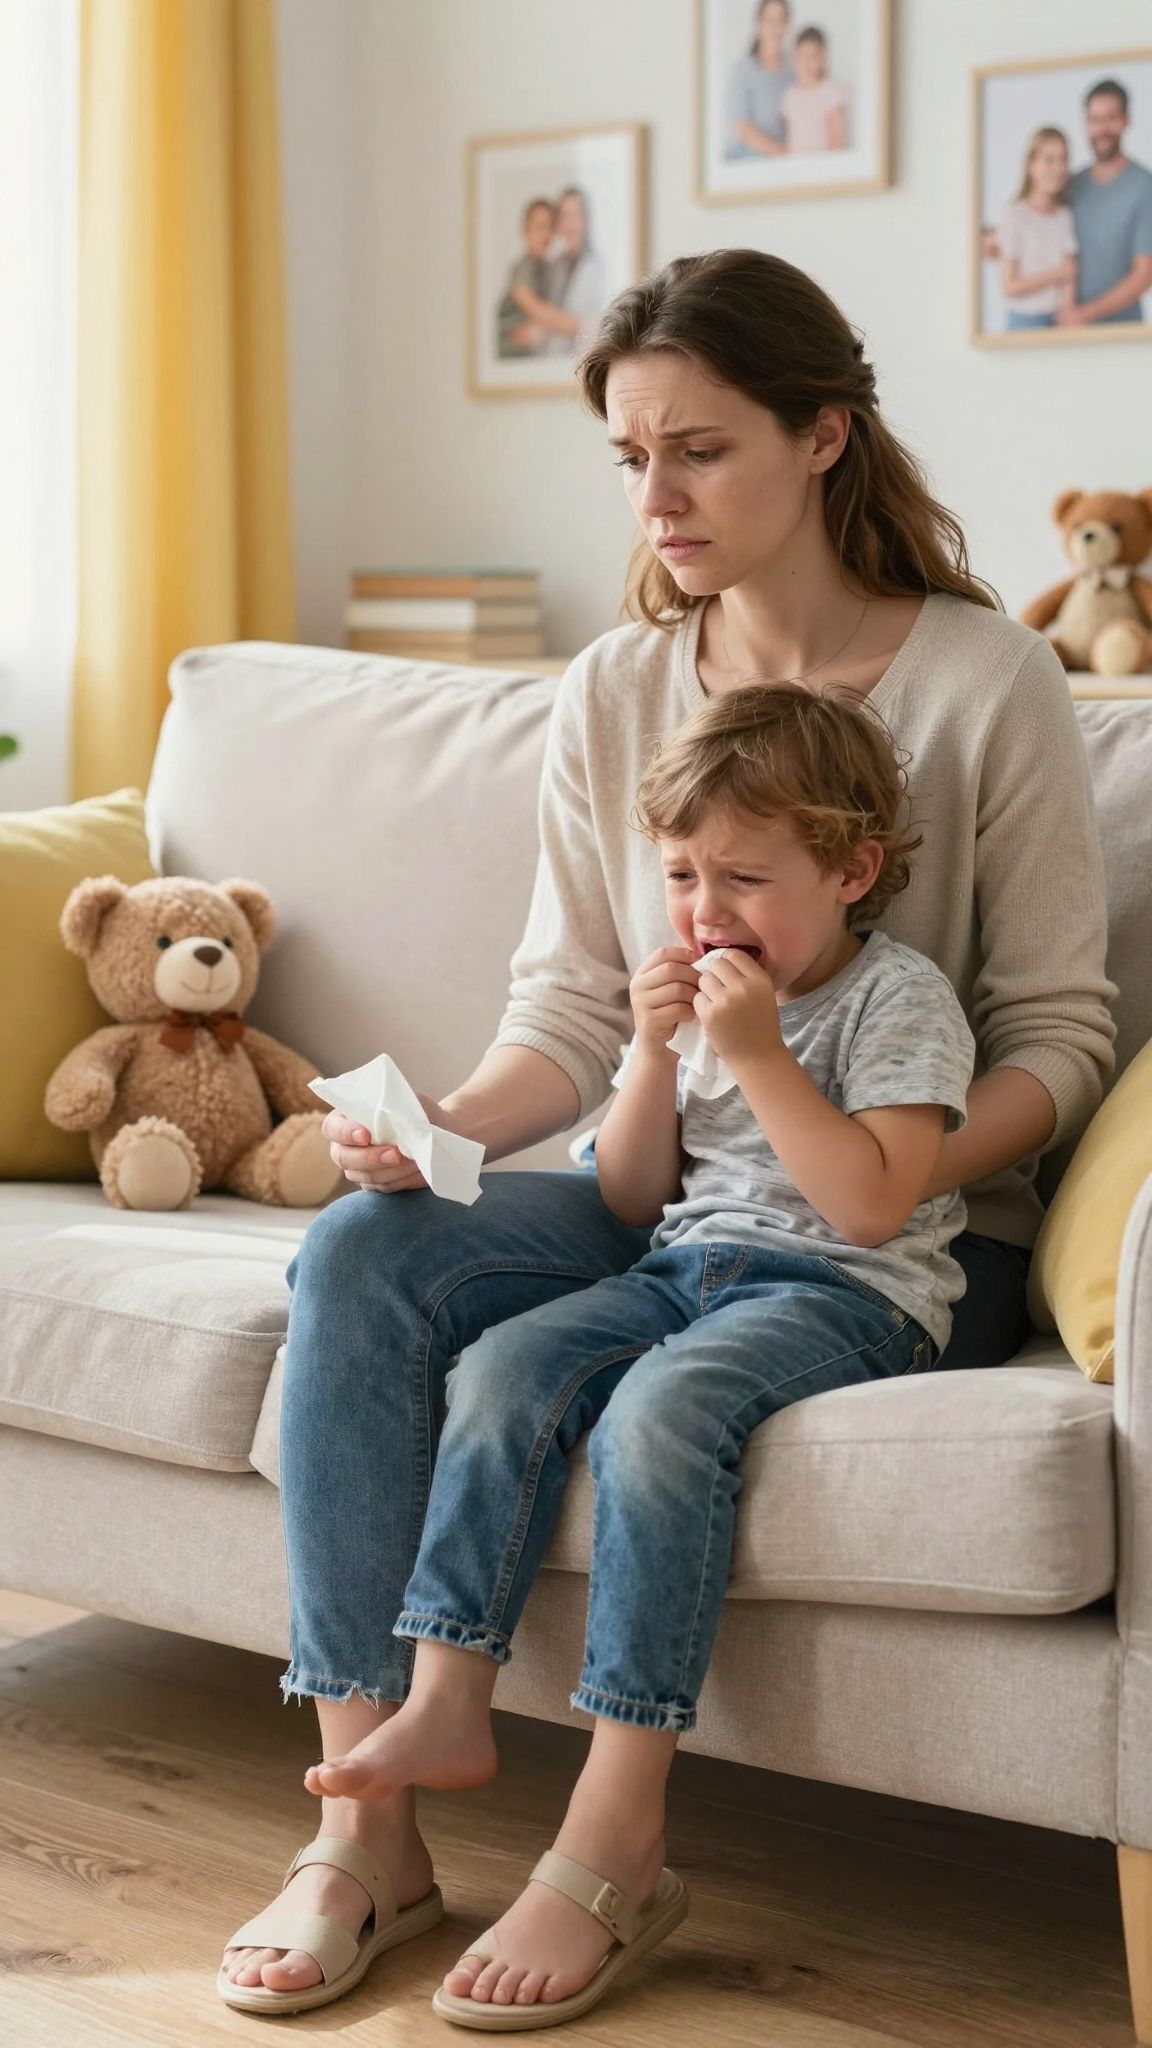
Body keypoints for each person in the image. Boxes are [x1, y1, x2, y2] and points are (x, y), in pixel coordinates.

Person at [218, 248, 1116, 2019]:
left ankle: (608, 1850)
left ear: (822, 437)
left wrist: (873, 1168)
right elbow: (565, 1002)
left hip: (897, 1212)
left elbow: (1060, 1038)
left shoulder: (982, 676)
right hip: (678, 1188)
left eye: (698, 450)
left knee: (654, 1372)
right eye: (630, 457)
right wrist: (445, 1135)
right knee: (363, 1249)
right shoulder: (621, 685)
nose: (657, 498)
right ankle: (367, 1826)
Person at [1064, 77, 1152, 327]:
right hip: (1068, 335)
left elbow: (1145, 274)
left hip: (1121, 336)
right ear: (1085, 124)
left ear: (1126, 121)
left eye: (1111, 118)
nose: (1102, 129)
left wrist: (1086, 314)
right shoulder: (1071, 185)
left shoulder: (1145, 186)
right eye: (1095, 119)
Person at [997, 127, 1077, 332]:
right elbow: (1010, 286)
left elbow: (1070, 274)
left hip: (1057, 322)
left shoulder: (1064, 216)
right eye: (1049, 160)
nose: (1058, 168)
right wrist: (1057, 273)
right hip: (1023, 322)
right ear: (1031, 164)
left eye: (1063, 160)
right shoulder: (1014, 216)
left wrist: (1066, 317)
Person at [724, 0, 792, 159]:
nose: (776, 28)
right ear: (759, 24)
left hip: (784, 165)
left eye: (781, 20)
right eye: (770, 20)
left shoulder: (793, 72)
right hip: (748, 162)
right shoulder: (744, 70)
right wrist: (779, 151)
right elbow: (741, 127)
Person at [495, 197, 556, 359]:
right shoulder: (523, 268)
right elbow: (536, 309)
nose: (546, 234)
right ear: (525, 231)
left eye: (550, 227)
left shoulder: (548, 268)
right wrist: (577, 325)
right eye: (539, 227)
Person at [781, 24, 848, 155]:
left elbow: (838, 140)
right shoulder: (790, 95)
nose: (806, 63)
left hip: (824, 166)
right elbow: (789, 138)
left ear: (823, 58)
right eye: (801, 57)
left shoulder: (831, 92)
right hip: (797, 166)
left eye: (812, 57)